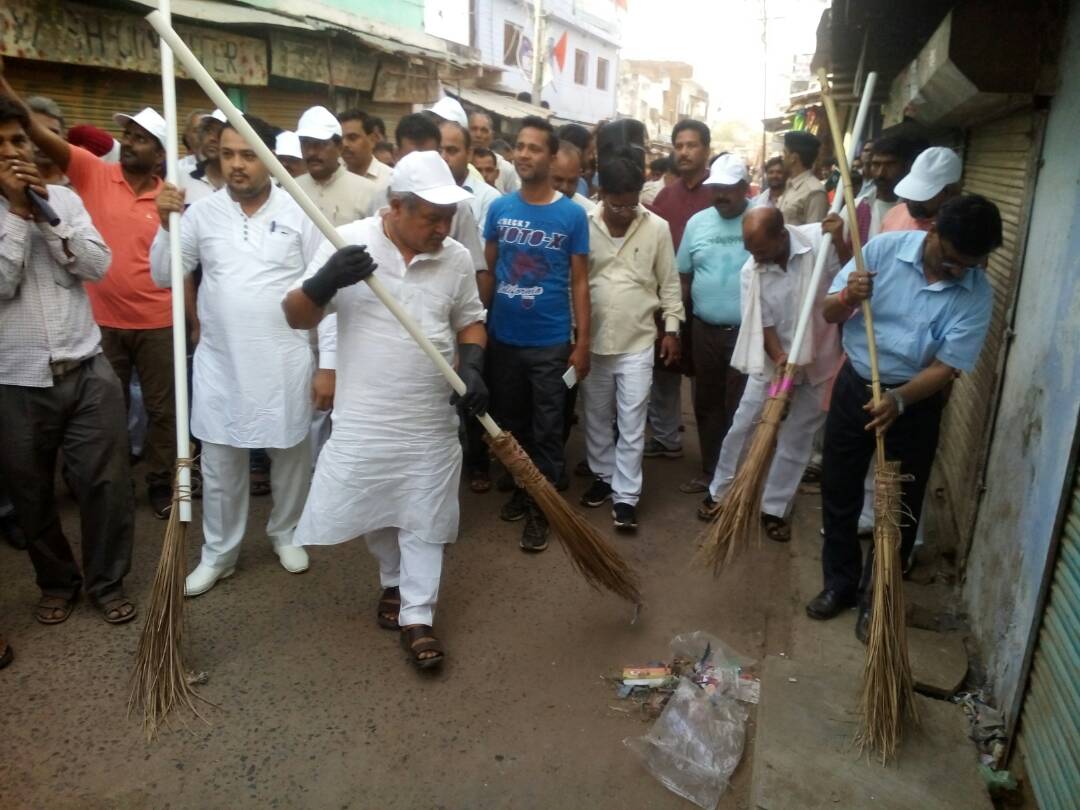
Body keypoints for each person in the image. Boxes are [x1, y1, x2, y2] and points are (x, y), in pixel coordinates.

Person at [284, 150, 487, 670]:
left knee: (426, 515)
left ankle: (418, 615)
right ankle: (392, 582)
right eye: (431, 218)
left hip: (428, 418)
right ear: (396, 207)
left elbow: (470, 321)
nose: (443, 228)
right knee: (376, 509)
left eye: (449, 218)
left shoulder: (457, 259)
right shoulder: (349, 243)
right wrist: (324, 281)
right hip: (366, 416)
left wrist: (475, 366)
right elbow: (294, 315)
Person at [808, 195, 1002, 642]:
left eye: (967, 266)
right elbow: (828, 312)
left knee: (898, 507)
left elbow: (946, 367)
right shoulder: (880, 251)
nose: (957, 272)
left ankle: (878, 597)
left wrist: (898, 401)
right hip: (857, 384)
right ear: (932, 232)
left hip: (914, 402)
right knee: (839, 489)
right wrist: (847, 296)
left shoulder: (976, 292)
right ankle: (839, 584)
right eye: (950, 260)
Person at [150, 114, 323, 596]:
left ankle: (284, 532)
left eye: (248, 154)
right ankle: (219, 555)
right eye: (227, 154)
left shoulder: (298, 211)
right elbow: (164, 276)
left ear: (268, 158)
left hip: (284, 362)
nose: (236, 165)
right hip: (220, 366)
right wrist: (165, 225)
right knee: (221, 465)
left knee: (290, 455)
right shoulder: (200, 212)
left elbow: (324, 294)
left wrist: (327, 365)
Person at [0, 72, 178, 518]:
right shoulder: (92, 171)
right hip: (100, 326)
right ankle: (90, 484)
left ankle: (161, 482)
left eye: (142, 138)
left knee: (163, 412)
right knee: (106, 422)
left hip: (159, 321)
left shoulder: (173, 197)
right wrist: (5, 87)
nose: (130, 142)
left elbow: (181, 260)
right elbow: (33, 128)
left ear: (160, 153)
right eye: (127, 135)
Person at [0, 96, 136, 625]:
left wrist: (46, 215)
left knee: (106, 485)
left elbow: (98, 264)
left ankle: (108, 582)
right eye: (3, 145)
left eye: (19, 141)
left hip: (86, 368)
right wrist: (15, 216)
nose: (15, 152)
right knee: (31, 494)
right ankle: (57, 582)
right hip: (16, 381)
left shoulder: (63, 199)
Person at [697, 208, 841, 540]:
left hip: (819, 358)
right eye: (750, 251)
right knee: (744, 424)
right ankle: (720, 492)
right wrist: (780, 360)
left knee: (797, 438)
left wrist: (843, 239)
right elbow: (762, 322)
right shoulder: (752, 270)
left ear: (781, 236)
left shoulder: (820, 242)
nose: (754, 258)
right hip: (774, 362)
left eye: (760, 250)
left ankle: (774, 508)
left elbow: (844, 278)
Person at [484, 115, 591, 552]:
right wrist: (479, 328)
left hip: (549, 341)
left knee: (548, 427)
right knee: (512, 423)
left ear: (550, 156)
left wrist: (582, 343)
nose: (524, 154)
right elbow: (489, 271)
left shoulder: (571, 215)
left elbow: (581, 282)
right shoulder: (499, 208)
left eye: (534, 148)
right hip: (503, 338)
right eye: (520, 147)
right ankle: (526, 489)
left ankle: (543, 508)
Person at [579, 150, 684, 530]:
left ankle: (626, 496)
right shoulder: (582, 223)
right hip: (592, 341)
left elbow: (670, 283)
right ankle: (604, 477)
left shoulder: (656, 227)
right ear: (600, 192)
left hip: (639, 340)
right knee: (595, 415)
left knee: (633, 420)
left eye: (632, 203)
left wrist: (672, 329)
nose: (625, 211)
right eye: (616, 204)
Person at [676, 154, 751, 493]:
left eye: (727, 190)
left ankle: (735, 478)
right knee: (706, 403)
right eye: (715, 189)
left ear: (744, 188)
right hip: (704, 329)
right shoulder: (697, 223)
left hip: (748, 333)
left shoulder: (761, 219)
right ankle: (710, 471)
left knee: (741, 407)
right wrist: (676, 326)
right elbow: (684, 278)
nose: (720, 196)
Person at [643, 119, 714, 461]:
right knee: (665, 371)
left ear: (706, 150)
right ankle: (666, 437)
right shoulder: (666, 196)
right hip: (668, 299)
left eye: (692, 145)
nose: (684, 152)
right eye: (679, 145)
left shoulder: (721, 194)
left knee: (705, 379)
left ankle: (711, 452)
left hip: (707, 304)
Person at [368, 113, 486, 275]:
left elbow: (476, 273)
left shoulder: (460, 209)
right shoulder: (375, 202)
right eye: (412, 159)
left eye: (430, 158)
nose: (442, 229)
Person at [295, 105, 376, 226]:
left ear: (339, 147)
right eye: (305, 144)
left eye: (320, 144)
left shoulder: (367, 192)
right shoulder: (290, 190)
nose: (311, 152)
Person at [881, 146, 962, 233]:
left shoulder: (958, 232)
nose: (910, 200)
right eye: (911, 190)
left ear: (949, 192)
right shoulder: (895, 214)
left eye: (920, 196)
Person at [779, 131, 827, 226]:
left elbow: (813, 235)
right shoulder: (789, 183)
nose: (782, 157)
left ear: (793, 158)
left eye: (784, 153)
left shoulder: (815, 192)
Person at [338, 108, 393, 193]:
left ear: (372, 140)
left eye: (352, 138)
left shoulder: (390, 180)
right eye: (340, 139)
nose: (344, 144)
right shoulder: (332, 176)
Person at [178, 109, 225, 205]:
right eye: (208, 131)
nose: (212, 138)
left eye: (219, 132)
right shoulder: (180, 175)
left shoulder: (244, 182)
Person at [469, 112, 520, 193]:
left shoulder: (506, 169)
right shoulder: (459, 164)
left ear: (492, 135)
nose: (478, 134)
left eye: (484, 130)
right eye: (474, 129)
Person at [25, 96, 66, 186]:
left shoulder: (83, 181)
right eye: (37, 133)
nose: (44, 141)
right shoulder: (9, 186)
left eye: (53, 133)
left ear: (64, 137)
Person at [551, 141, 596, 213]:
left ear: (579, 175)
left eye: (572, 181)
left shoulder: (588, 213)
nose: (565, 188)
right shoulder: (528, 203)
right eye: (558, 179)